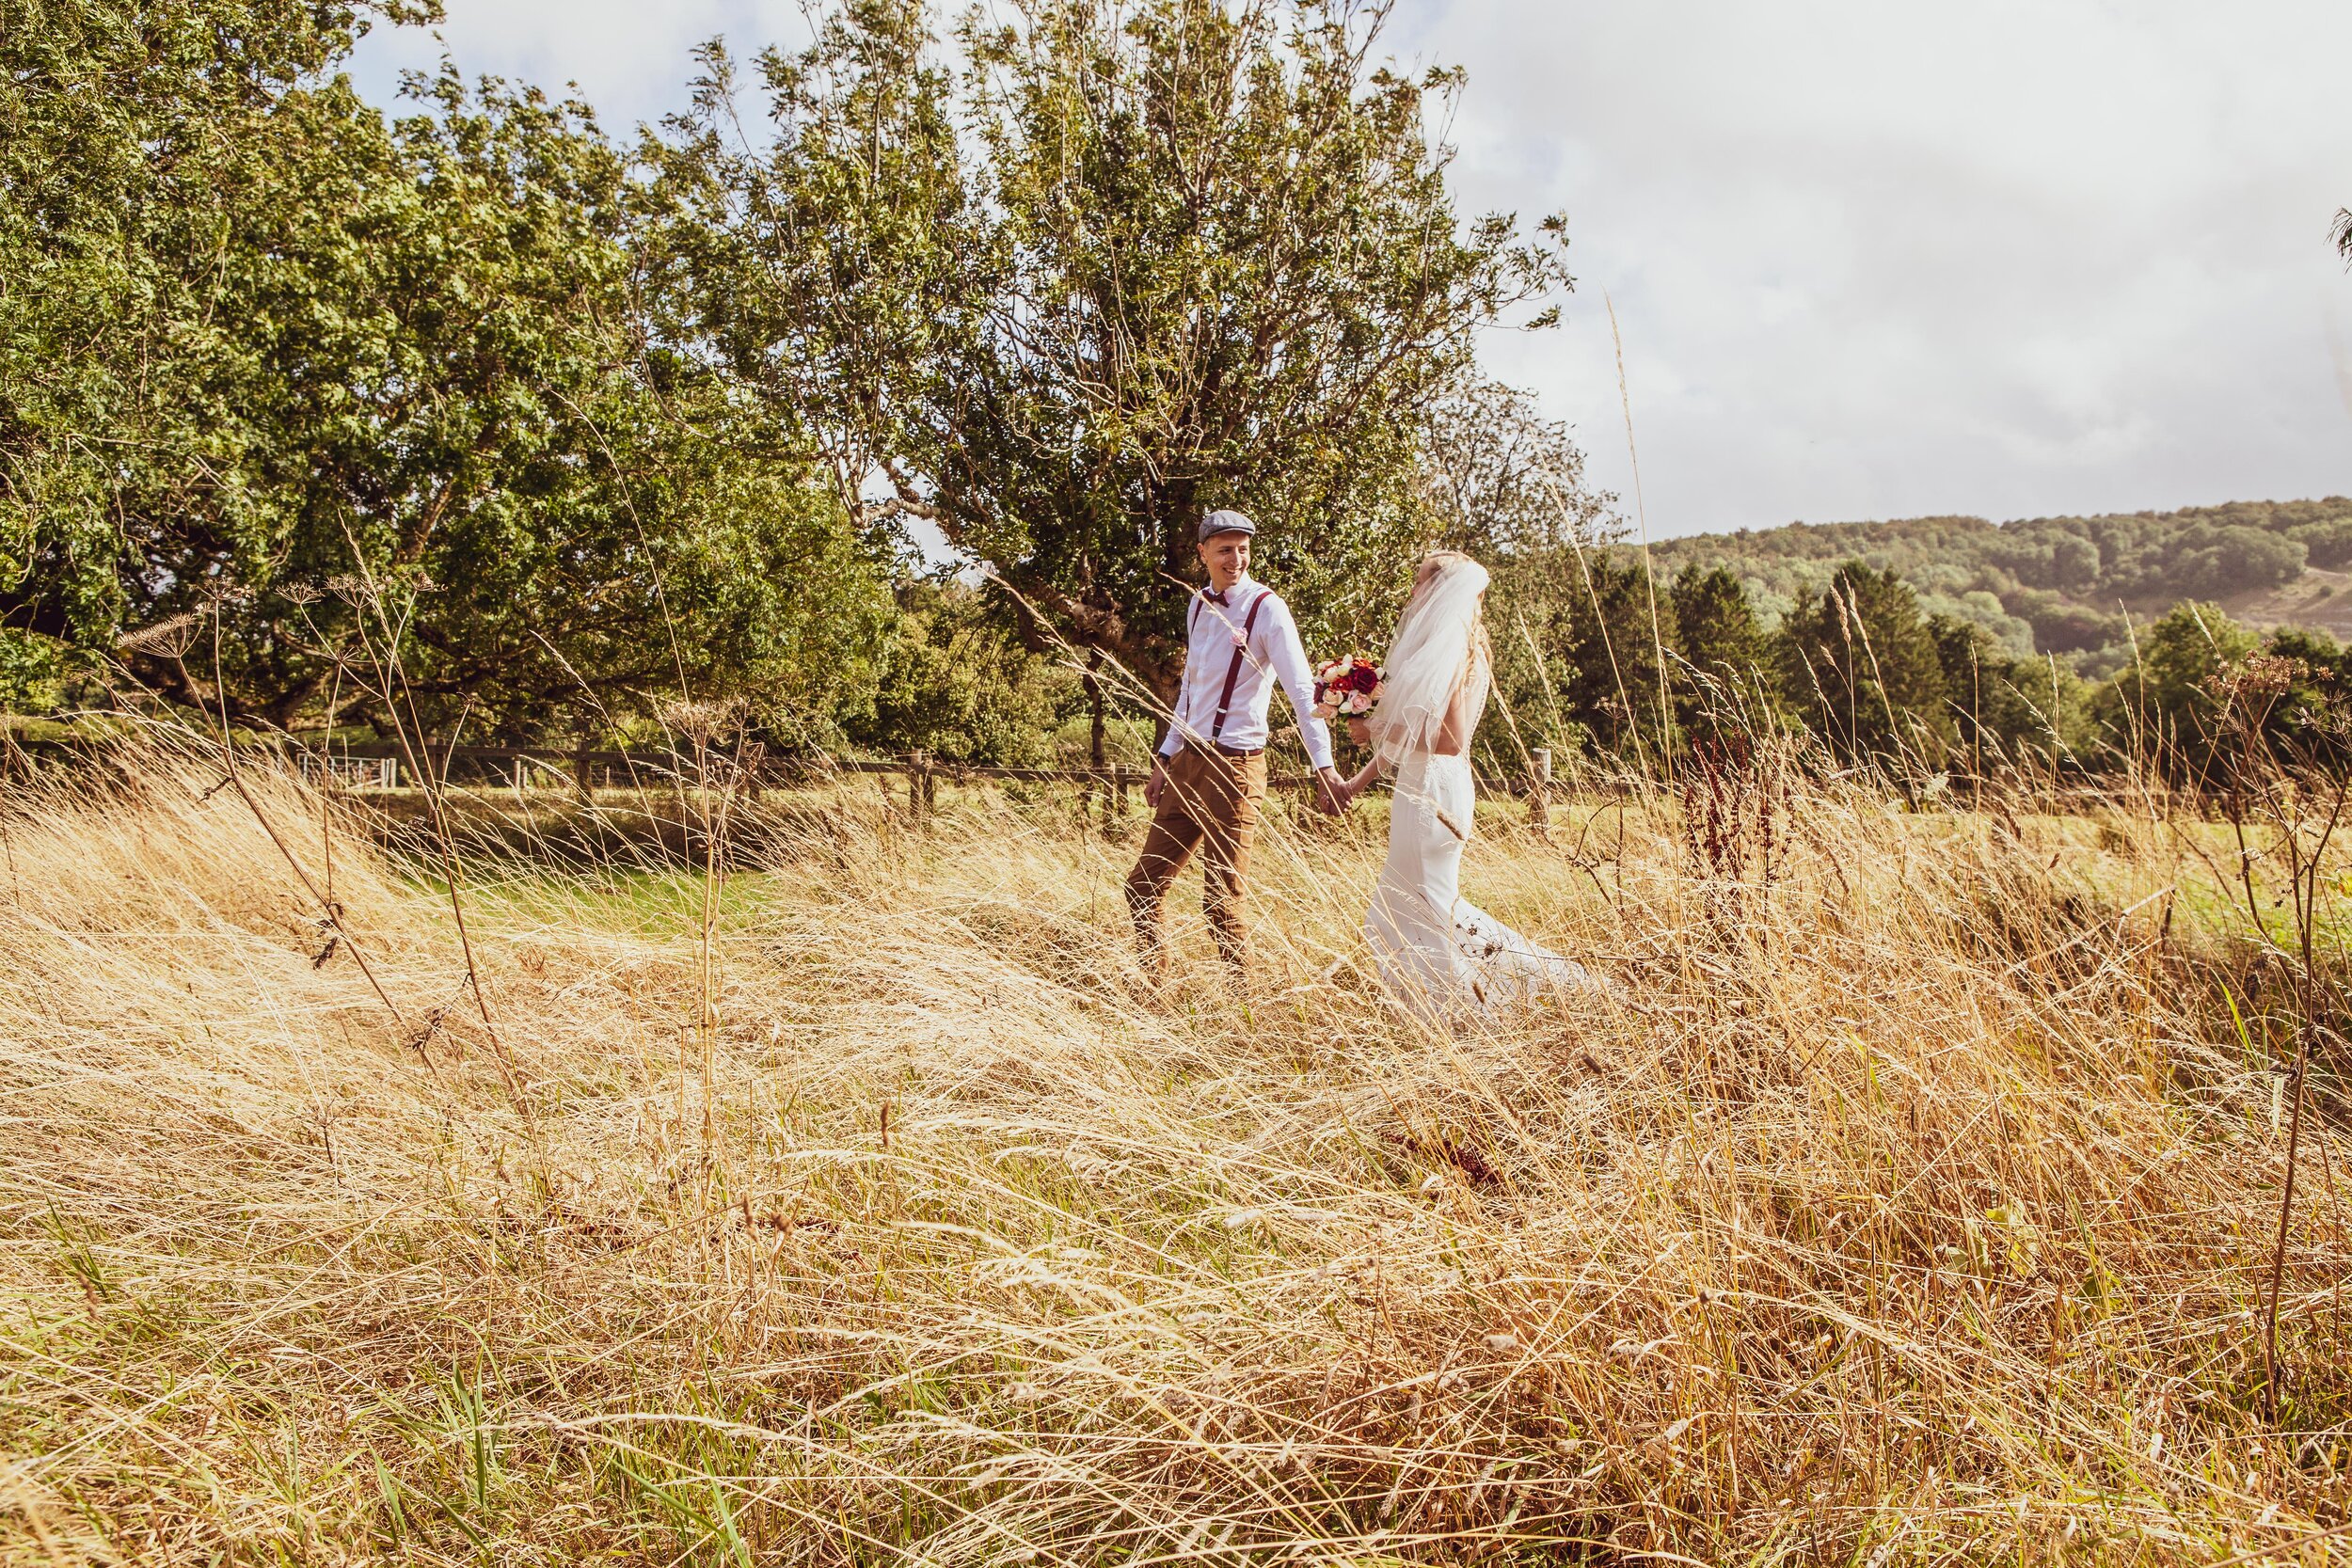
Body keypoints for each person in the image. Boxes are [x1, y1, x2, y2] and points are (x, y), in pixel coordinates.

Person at [1339, 550, 1597, 1022]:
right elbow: (1417, 733)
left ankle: (1490, 1007)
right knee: (1414, 908)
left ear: (1441, 592)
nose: (1414, 593)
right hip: (1424, 789)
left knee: (1422, 911)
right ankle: (1452, 1006)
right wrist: (1359, 779)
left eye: (1421, 583)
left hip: (1432, 796)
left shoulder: (1454, 648)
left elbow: (1450, 740)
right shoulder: (1445, 643)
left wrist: (1375, 727)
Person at [1124, 510, 1349, 974]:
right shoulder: (1197, 605)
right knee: (1142, 887)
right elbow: (1190, 689)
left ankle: (1244, 1016)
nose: (1236, 558)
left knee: (1221, 904)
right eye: (1225, 549)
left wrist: (1323, 766)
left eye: (1243, 548)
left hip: (1237, 767)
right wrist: (1165, 756)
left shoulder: (1268, 608)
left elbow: (1303, 691)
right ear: (1203, 552)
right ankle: (1154, 990)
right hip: (1187, 761)